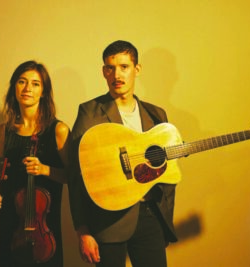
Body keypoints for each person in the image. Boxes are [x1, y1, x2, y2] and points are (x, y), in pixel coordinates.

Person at [68, 40, 178, 267]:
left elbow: (167, 172)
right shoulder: (89, 112)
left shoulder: (157, 115)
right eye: (110, 68)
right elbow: (76, 175)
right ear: (103, 71)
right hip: (108, 221)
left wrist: (163, 219)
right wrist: (83, 231)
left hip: (150, 217)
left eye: (124, 67)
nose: (116, 74)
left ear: (137, 69)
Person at [0, 60, 71, 267]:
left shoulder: (58, 130)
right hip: (10, 222)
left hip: (43, 230)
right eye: (22, 82)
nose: (27, 89)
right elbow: (0, 178)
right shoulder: (4, 131)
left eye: (35, 84)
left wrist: (45, 169)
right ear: (14, 87)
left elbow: (73, 177)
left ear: (43, 92)